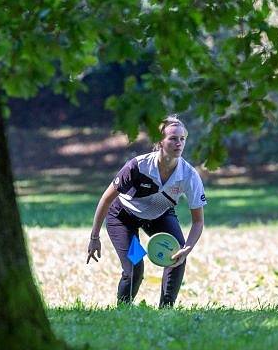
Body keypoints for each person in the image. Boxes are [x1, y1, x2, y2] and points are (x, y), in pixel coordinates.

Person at [86, 115, 206, 308]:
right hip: (124, 218)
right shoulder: (138, 166)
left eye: (182, 139)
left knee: (177, 256)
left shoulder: (189, 175)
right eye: (173, 138)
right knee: (135, 266)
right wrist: (94, 237)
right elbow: (107, 199)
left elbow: (198, 222)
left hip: (160, 215)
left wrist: (188, 247)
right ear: (160, 141)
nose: (179, 143)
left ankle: (166, 310)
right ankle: (123, 311)